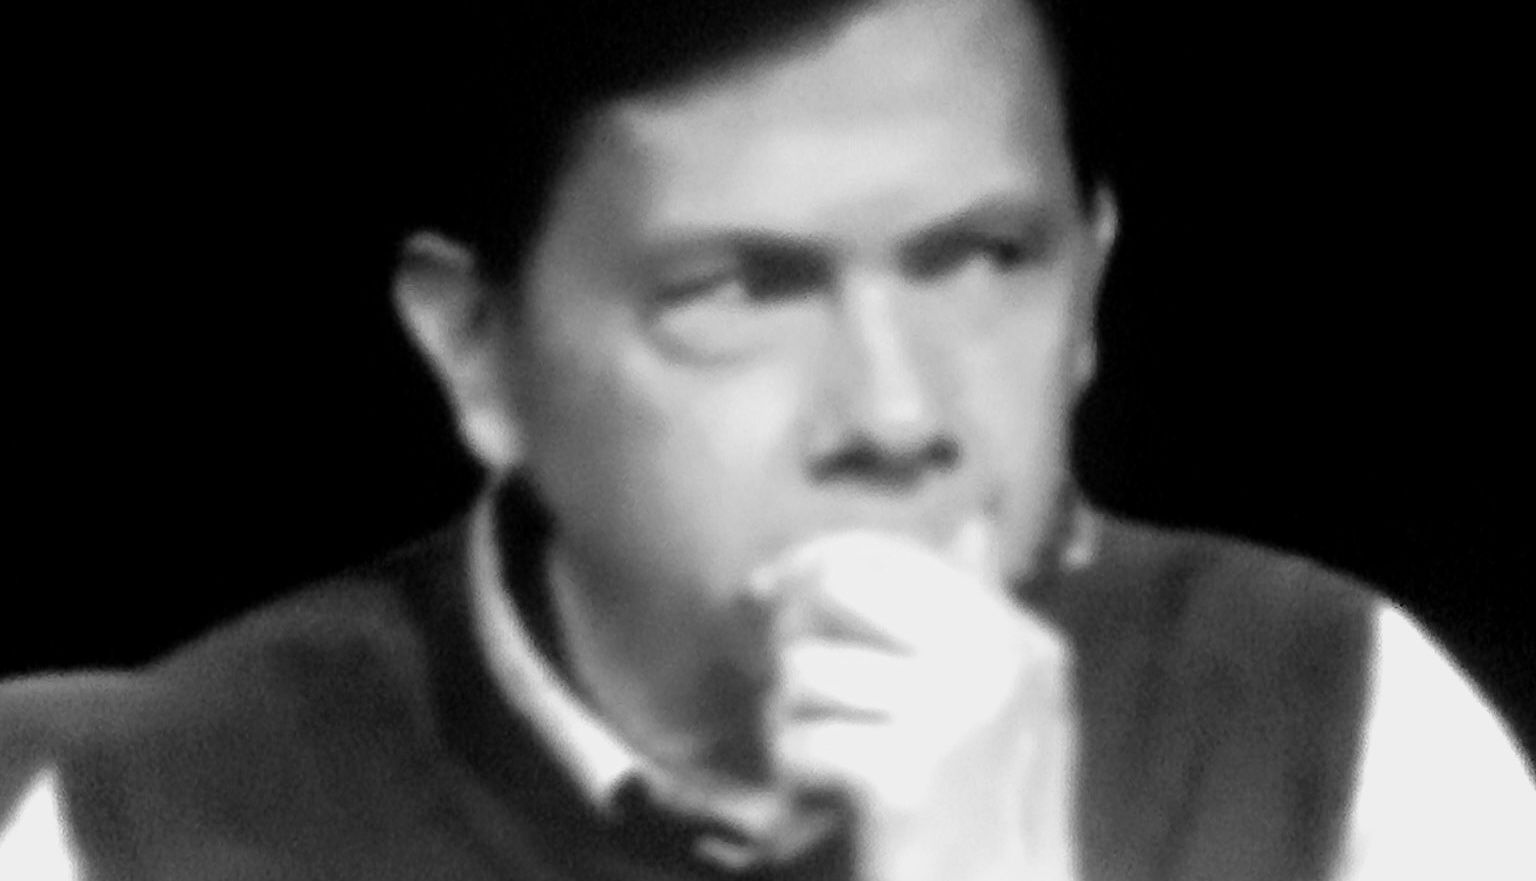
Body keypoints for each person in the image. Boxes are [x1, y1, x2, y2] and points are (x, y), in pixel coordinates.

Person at [3, 0, 1532, 878]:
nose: (898, 415)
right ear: (478, 349)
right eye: (737, 291)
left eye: (982, 258)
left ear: (1092, 288)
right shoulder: (171, 821)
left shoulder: (1330, 720)